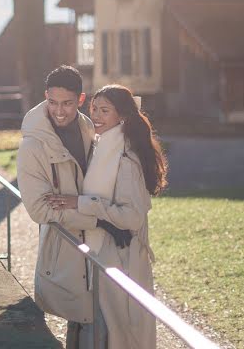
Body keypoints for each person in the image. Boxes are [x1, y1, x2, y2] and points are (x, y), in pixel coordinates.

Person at [17, 66, 132, 348]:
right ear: (45, 97)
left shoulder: (90, 128)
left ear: (81, 100)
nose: (59, 111)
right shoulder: (31, 147)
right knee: (81, 320)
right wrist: (99, 220)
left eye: (67, 103)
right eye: (53, 102)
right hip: (67, 245)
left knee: (106, 319)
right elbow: (39, 210)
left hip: (101, 243)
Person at [46, 84, 168, 349]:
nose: (97, 116)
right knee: (100, 327)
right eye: (94, 109)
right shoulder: (101, 146)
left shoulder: (126, 158)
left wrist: (82, 203)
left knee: (118, 330)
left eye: (105, 110)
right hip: (100, 250)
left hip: (122, 256)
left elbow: (132, 217)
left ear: (122, 116)